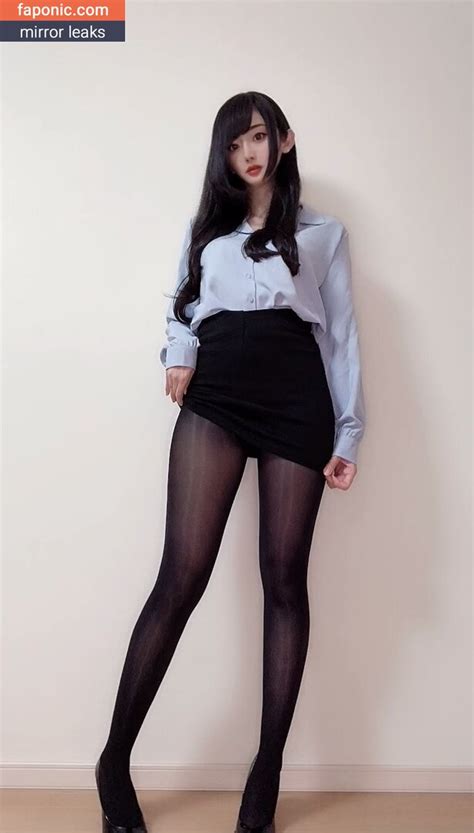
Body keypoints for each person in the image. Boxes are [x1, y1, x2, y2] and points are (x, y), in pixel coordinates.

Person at [95, 90, 366, 833]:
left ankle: (265, 775)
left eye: (258, 137)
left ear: (284, 139)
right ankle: (114, 759)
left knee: (284, 581)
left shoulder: (324, 233)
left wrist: (347, 432)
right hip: (217, 392)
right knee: (180, 577)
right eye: (234, 143)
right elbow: (181, 307)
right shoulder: (206, 230)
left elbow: (341, 335)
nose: (248, 153)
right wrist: (180, 351)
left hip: (295, 397)